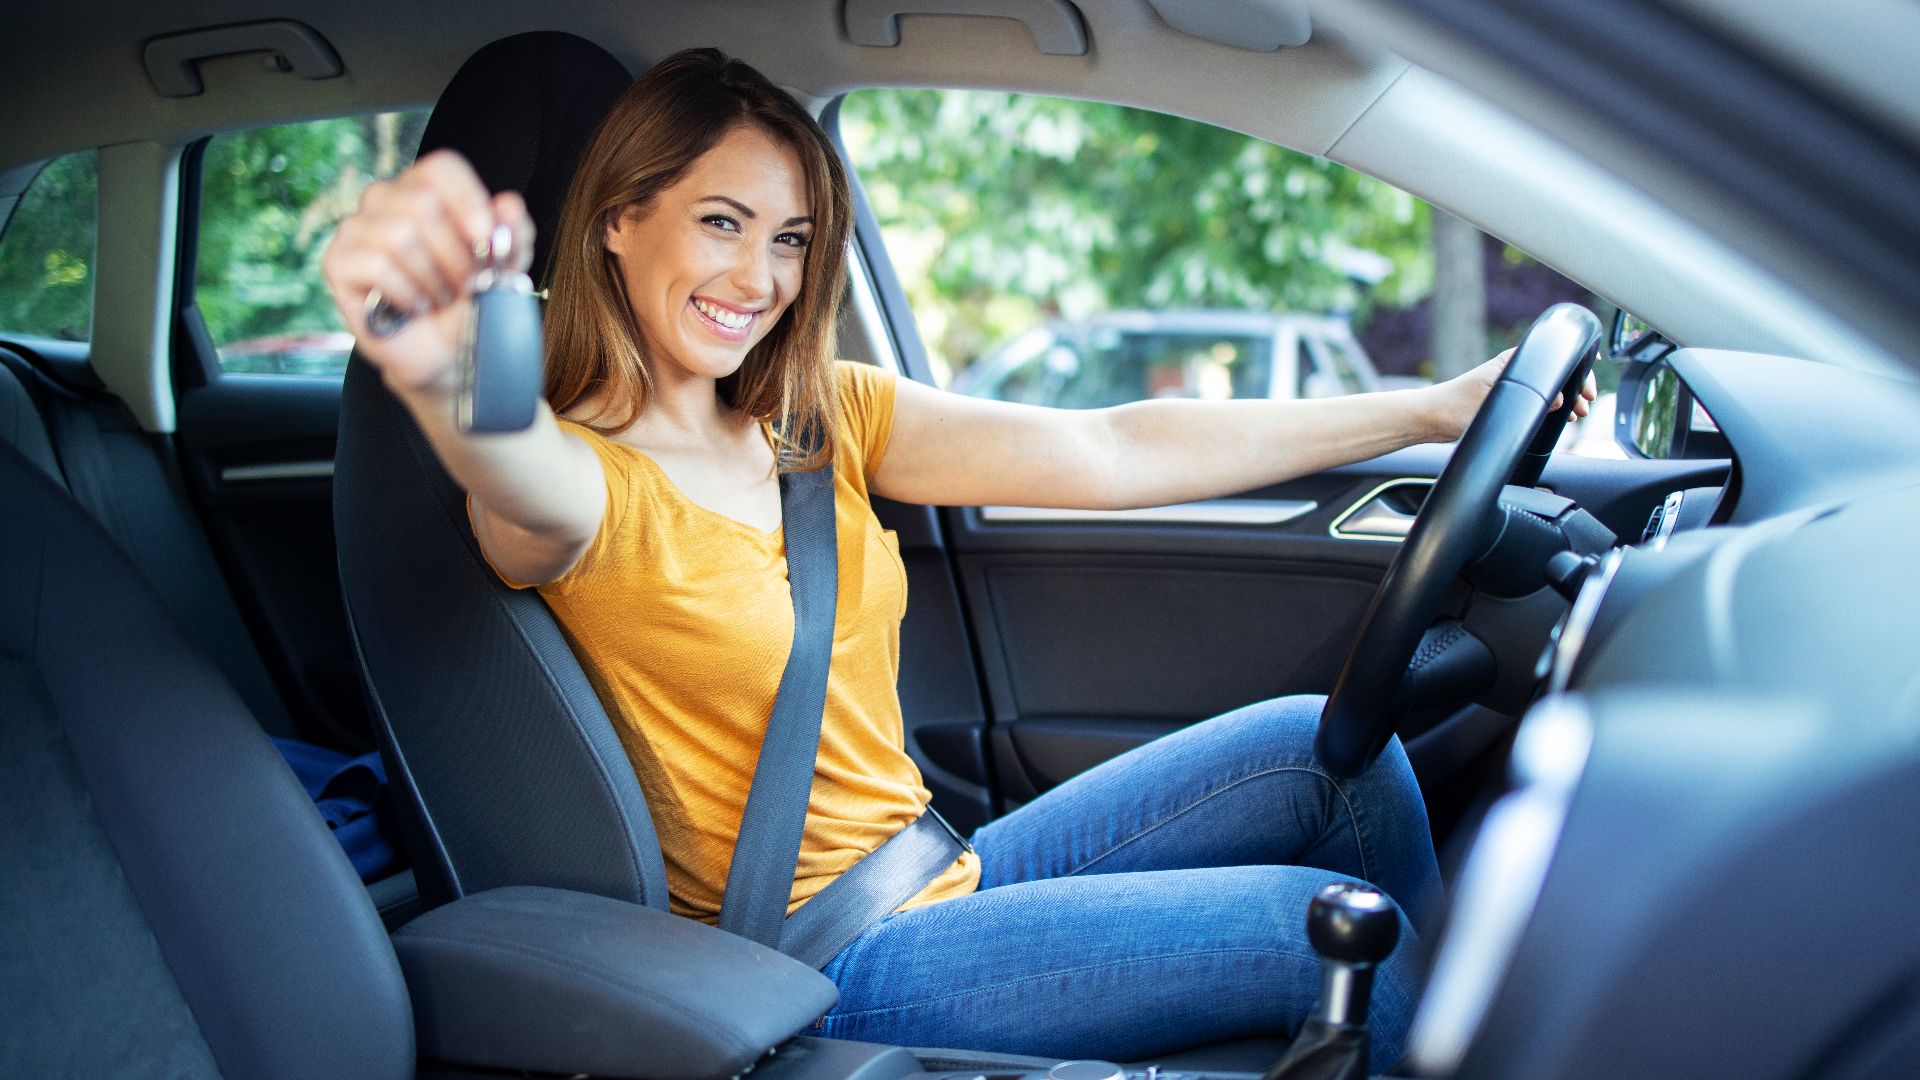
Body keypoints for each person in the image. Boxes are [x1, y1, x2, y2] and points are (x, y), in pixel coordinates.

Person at [322, 48, 1590, 1066]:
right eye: (720, 222)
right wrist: (437, 373)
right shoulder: (584, 484)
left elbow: (1109, 449)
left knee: (1328, 752)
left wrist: (1430, 411)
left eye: (791, 238)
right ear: (616, 221)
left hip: (942, 866)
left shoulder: (819, 416)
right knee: (1309, 934)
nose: (758, 276)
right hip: (828, 960)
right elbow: (509, 468)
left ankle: (1424, 1039)